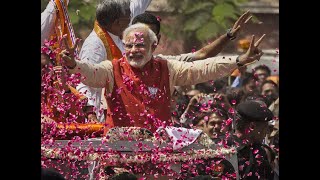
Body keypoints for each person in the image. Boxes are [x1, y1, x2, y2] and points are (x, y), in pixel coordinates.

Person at [61, 23, 265, 134]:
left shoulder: (167, 68)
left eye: (140, 45)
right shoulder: (111, 69)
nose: (134, 51)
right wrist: (73, 64)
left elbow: (203, 68)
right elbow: (89, 72)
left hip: (159, 152)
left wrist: (239, 60)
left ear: (153, 47)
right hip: (119, 153)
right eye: (129, 46)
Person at [76, 0, 153, 123]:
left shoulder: (117, 25)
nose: (131, 21)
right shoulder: (94, 46)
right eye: (128, 18)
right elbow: (83, 82)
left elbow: (139, 4)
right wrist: (90, 113)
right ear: (117, 22)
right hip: (101, 117)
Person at [234, 100, 278, 179]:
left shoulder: (261, 151)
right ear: (252, 126)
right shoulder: (226, 149)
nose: (267, 131)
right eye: (264, 127)